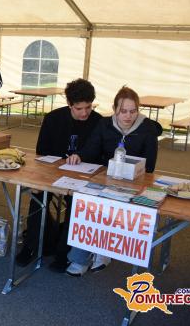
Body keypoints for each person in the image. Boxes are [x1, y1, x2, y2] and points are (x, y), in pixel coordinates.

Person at [65, 86, 163, 276]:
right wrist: (79, 155)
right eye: (123, 111)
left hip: (134, 181)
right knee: (87, 203)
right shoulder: (104, 124)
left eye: (133, 111)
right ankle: (81, 258)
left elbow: (149, 167)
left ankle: (102, 252)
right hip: (106, 177)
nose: (128, 116)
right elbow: (92, 148)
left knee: (112, 207)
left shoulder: (147, 129)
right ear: (115, 109)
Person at [15, 79, 102, 271]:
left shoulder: (98, 122)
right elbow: (41, 152)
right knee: (38, 196)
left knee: (77, 203)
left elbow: (99, 154)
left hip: (83, 177)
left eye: (88, 107)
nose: (85, 113)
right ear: (69, 104)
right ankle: (31, 245)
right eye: (79, 108)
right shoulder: (53, 119)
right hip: (52, 173)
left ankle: (64, 252)